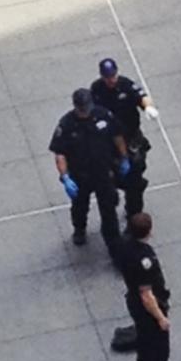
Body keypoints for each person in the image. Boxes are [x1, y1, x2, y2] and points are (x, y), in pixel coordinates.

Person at [49, 88, 131, 256]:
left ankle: (114, 245)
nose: (85, 110)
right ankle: (79, 229)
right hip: (80, 176)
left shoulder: (103, 115)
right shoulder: (66, 124)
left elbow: (117, 136)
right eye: (81, 107)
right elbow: (60, 153)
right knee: (79, 207)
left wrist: (124, 157)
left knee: (108, 209)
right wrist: (65, 177)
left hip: (103, 173)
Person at [118, 212, 181, 361]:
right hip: (148, 308)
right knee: (158, 348)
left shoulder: (126, 246)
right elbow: (147, 295)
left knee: (144, 339)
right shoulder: (144, 259)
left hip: (134, 303)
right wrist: (160, 318)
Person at [90, 58, 159, 229]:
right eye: (107, 77)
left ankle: (134, 216)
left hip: (130, 139)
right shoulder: (97, 89)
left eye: (113, 76)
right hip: (108, 143)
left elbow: (142, 96)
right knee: (108, 182)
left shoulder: (126, 85)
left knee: (134, 181)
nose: (111, 80)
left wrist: (148, 107)